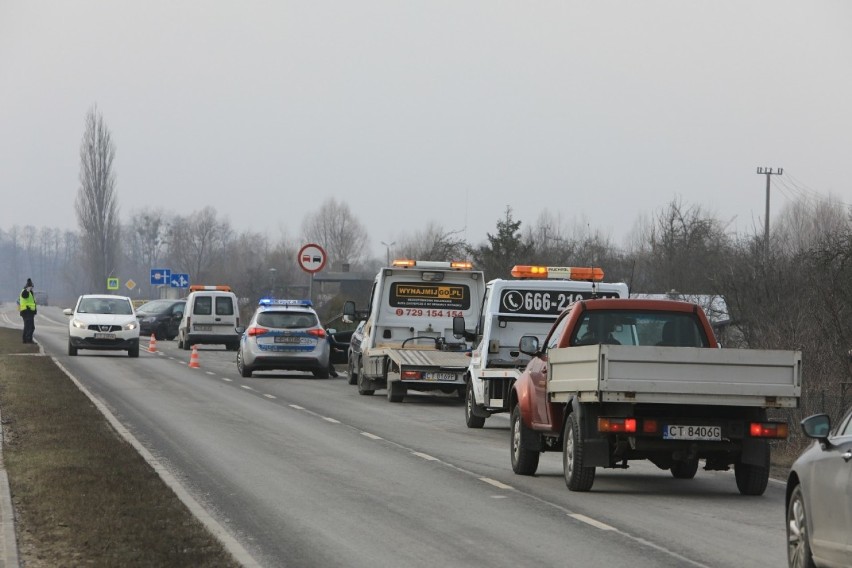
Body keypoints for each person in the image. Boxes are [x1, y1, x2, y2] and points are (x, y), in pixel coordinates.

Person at [19, 278, 37, 344]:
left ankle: (26, 340)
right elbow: (24, 296)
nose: (32, 288)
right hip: (26, 311)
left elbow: (33, 303)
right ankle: (28, 340)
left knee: (30, 327)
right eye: (31, 287)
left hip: (29, 312)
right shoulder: (25, 291)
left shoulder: (30, 292)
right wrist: (27, 290)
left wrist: (34, 311)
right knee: (29, 327)